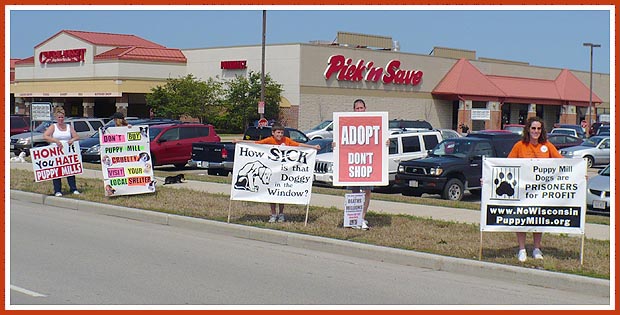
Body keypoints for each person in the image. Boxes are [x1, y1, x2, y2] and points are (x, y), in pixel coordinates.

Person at [234, 122, 320, 223]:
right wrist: (240, 141)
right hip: (273, 172)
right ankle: (273, 214)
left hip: (283, 173)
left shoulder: (286, 140)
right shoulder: (269, 140)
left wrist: (313, 147)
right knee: (272, 195)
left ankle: (281, 214)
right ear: (273, 133)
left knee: (281, 193)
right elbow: (256, 144)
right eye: (278, 132)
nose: (280, 135)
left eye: (281, 133)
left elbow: (299, 145)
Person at [508, 116, 562, 262]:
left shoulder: (548, 145)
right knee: (522, 219)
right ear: (528, 129)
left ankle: (537, 248)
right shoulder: (519, 146)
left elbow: (563, 164)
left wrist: (579, 174)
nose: (536, 131)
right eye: (533, 128)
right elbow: (506, 165)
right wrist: (487, 179)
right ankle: (522, 249)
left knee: (538, 219)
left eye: (538, 128)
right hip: (522, 191)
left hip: (540, 192)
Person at [43, 107, 81, 197]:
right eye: (59, 117)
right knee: (57, 171)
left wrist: (72, 140)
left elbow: (76, 136)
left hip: (67, 152)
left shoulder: (68, 127)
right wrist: (55, 141)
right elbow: (45, 136)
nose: (61, 119)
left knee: (70, 171)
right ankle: (57, 190)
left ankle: (73, 188)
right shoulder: (53, 127)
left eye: (62, 117)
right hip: (56, 152)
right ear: (56, 118)